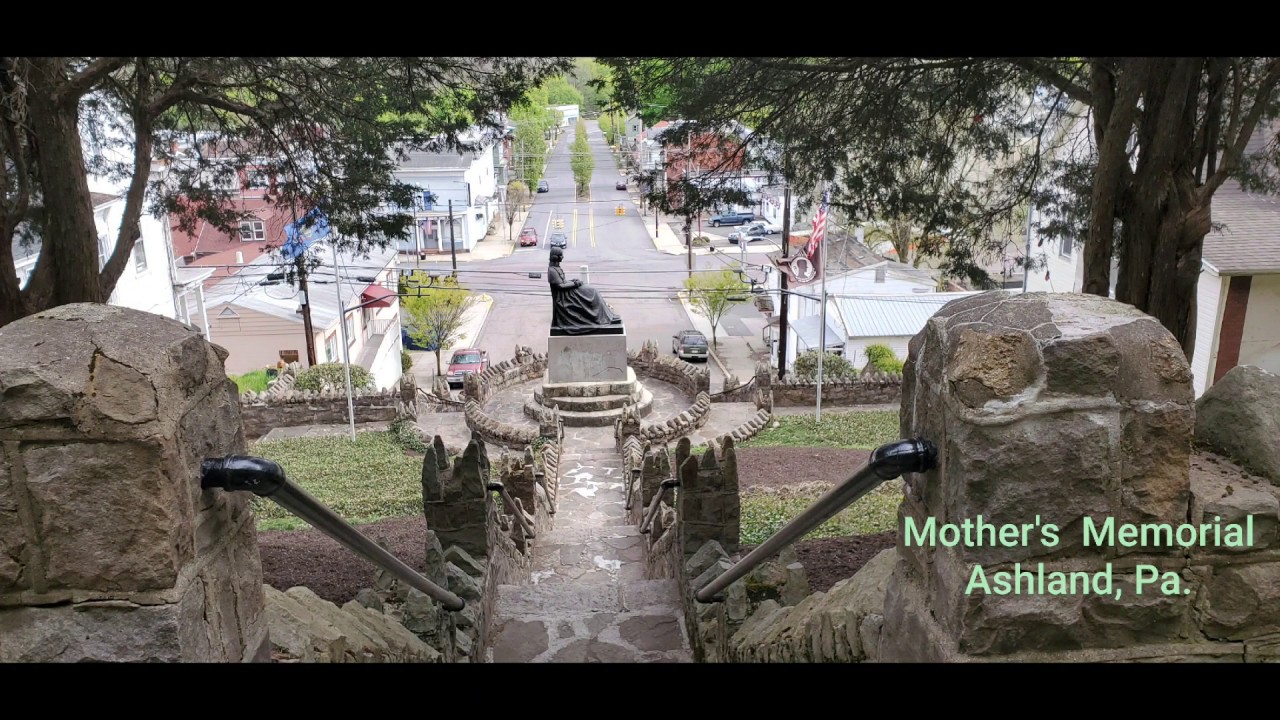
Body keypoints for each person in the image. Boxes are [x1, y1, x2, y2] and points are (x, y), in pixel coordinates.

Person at [547, 247, 622, 334]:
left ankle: (607, 316)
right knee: (592, 292)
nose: (562, 257)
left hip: (568, 291)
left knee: (593, 291)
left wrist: (573, 281)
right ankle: (600, 319)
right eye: (561, 255)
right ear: (556, 257)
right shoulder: (552, 270)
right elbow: (560, 286)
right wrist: (575, 284)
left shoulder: (556, 268)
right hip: (565, 297)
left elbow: (563, 282)